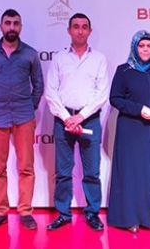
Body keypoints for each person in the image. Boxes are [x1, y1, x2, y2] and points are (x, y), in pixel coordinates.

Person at [0, 9, 44, 230]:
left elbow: (38, 84)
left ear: (20, 27)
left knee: (26, 167)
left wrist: (30, 106)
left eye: (16, 23)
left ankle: (25, 211)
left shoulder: (30, 54)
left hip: (24, 116)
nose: (12, 27)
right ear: (1, 26)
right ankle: (0, 212)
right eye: (8, 23)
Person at [44, 13, 109, 231]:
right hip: (63, 120)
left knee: (92, 172)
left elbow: (101, 93)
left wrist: (80, 117)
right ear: (69, 31)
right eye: (76, 27)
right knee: (63, 172)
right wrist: (67, 118)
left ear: (90, 31)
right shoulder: (59, 58)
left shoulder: (99, 59)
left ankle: (92, 213)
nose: (80, 31)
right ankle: (63, 213)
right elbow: (51, 91)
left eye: (84, 27)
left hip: (89, 120)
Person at [107, 30, 150, 233]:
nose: (146, 50)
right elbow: (115, 98)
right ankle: (131, 217)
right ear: (135, 47)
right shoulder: (124, 71)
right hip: (132, 129)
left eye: (149, 46)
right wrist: (138, 109)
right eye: (141, 46)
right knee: (133, 173)